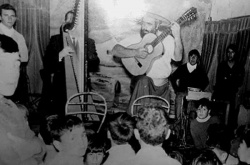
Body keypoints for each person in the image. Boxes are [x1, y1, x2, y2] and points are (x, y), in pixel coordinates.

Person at [110, 12, 183, 115]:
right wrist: (135, 52)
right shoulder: (137, 38)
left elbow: (179, 57)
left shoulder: (168, 39)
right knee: (140, 118)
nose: (144, 27)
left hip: (161, 89)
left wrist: (177, 37)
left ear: (157, 25)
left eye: (149, 24)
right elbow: (115, 50)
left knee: (158, 122)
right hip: (142, 87)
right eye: (143, 23)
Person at [0, 34, 45, 165]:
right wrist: (33, 148)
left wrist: (29, 148)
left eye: (16, 64)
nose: (13, 72)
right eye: (2, 64)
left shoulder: (10, 106)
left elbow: (40, 147)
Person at [40, 10, 75, 117]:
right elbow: (47, 62)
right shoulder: (55, 40)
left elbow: (95, 62)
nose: (69, 22)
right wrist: (60, 55)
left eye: (72, 20)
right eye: (67, 19)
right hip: (59, 82)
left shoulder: (88, 41)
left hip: (80, 82)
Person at [0, 3, 29, 104]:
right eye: (6, 15)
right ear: (0, 17)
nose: (9, 19)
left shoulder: (19, 37)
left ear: (15, 18)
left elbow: (25, 58)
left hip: (13, 76)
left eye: (12, 16)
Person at [213, 44, 245, 129]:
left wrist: (227, 79)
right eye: (228, 52)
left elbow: (239, 82)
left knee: (230, 120)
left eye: (232, 52)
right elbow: (219, 81)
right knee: (219, 119)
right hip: (221, 95)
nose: (230, 54)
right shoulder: (222, 65)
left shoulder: (239, 66)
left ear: (236, 54)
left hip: (232, 96)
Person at [171, 49, 209, 119]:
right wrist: (176, 89)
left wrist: (200, 89)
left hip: (194, 94)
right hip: (182, 92)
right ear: (189, 57)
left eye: (195, 57)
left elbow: (206, 81)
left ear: (197, 58)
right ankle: (178, 122)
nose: (193, 58)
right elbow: (172, 77)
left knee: (192, 111)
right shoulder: (182, 68)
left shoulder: (200, 70)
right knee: (179, 103)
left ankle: (190, 123)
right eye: (191, 56)